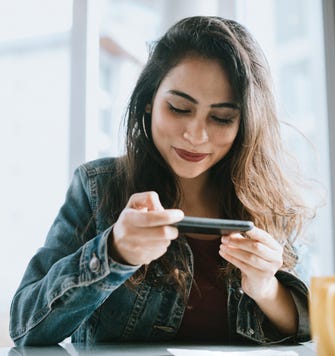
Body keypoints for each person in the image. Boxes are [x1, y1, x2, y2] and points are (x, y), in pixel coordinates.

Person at [10, 16, 314, 346]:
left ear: (245, 125)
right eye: (179, 108)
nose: (195, 135)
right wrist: (114, 252)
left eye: (221, 118)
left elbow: (310, 327)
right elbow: (26, 327)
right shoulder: (98, 187)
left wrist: (266, 287)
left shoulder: (269, 202)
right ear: (148, 102)